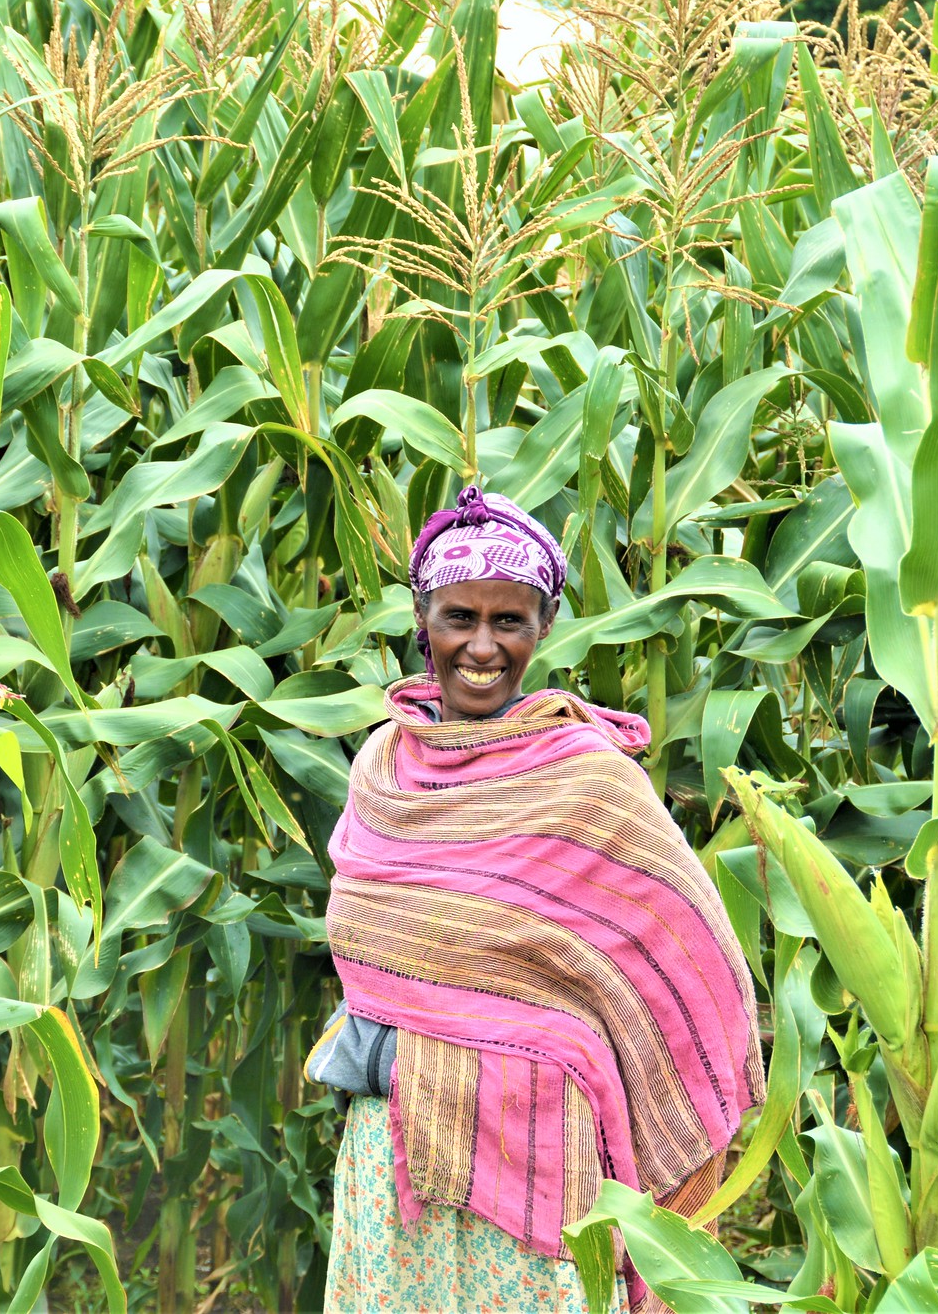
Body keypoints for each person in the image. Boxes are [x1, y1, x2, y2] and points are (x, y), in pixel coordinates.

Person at [307, 486, 764, 1314]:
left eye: (508, 620)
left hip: (538, 1177)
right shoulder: (383, 769)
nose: (481, 646)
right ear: (423, 617)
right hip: (395, 1167)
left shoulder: (588, 781)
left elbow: (698, 960)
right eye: (459, 617)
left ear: (543, 625)